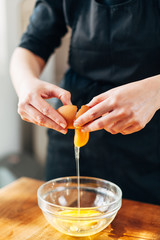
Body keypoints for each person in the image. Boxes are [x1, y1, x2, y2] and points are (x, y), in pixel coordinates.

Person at [10, 0, 160, 205]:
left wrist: (155, 90)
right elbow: (32, 44)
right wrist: (26, 84)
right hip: (70, 136)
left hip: (149, 142)